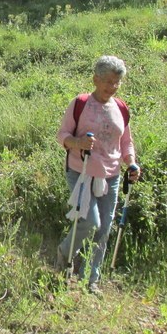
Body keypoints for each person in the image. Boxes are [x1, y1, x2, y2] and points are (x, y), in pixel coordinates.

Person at [56, 55, 141, 295]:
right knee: (90, 222)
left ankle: (90, 279)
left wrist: (131, 164)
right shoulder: (80, 103)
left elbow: (126, 141)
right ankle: (64, 254)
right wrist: (78, 142)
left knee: (104, 229)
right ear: (95, 79)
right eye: (107, 81)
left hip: (112, 175)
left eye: (116, 82)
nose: (111, 87)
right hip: (81, 173)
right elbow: (62, 135)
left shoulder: (121, 108)